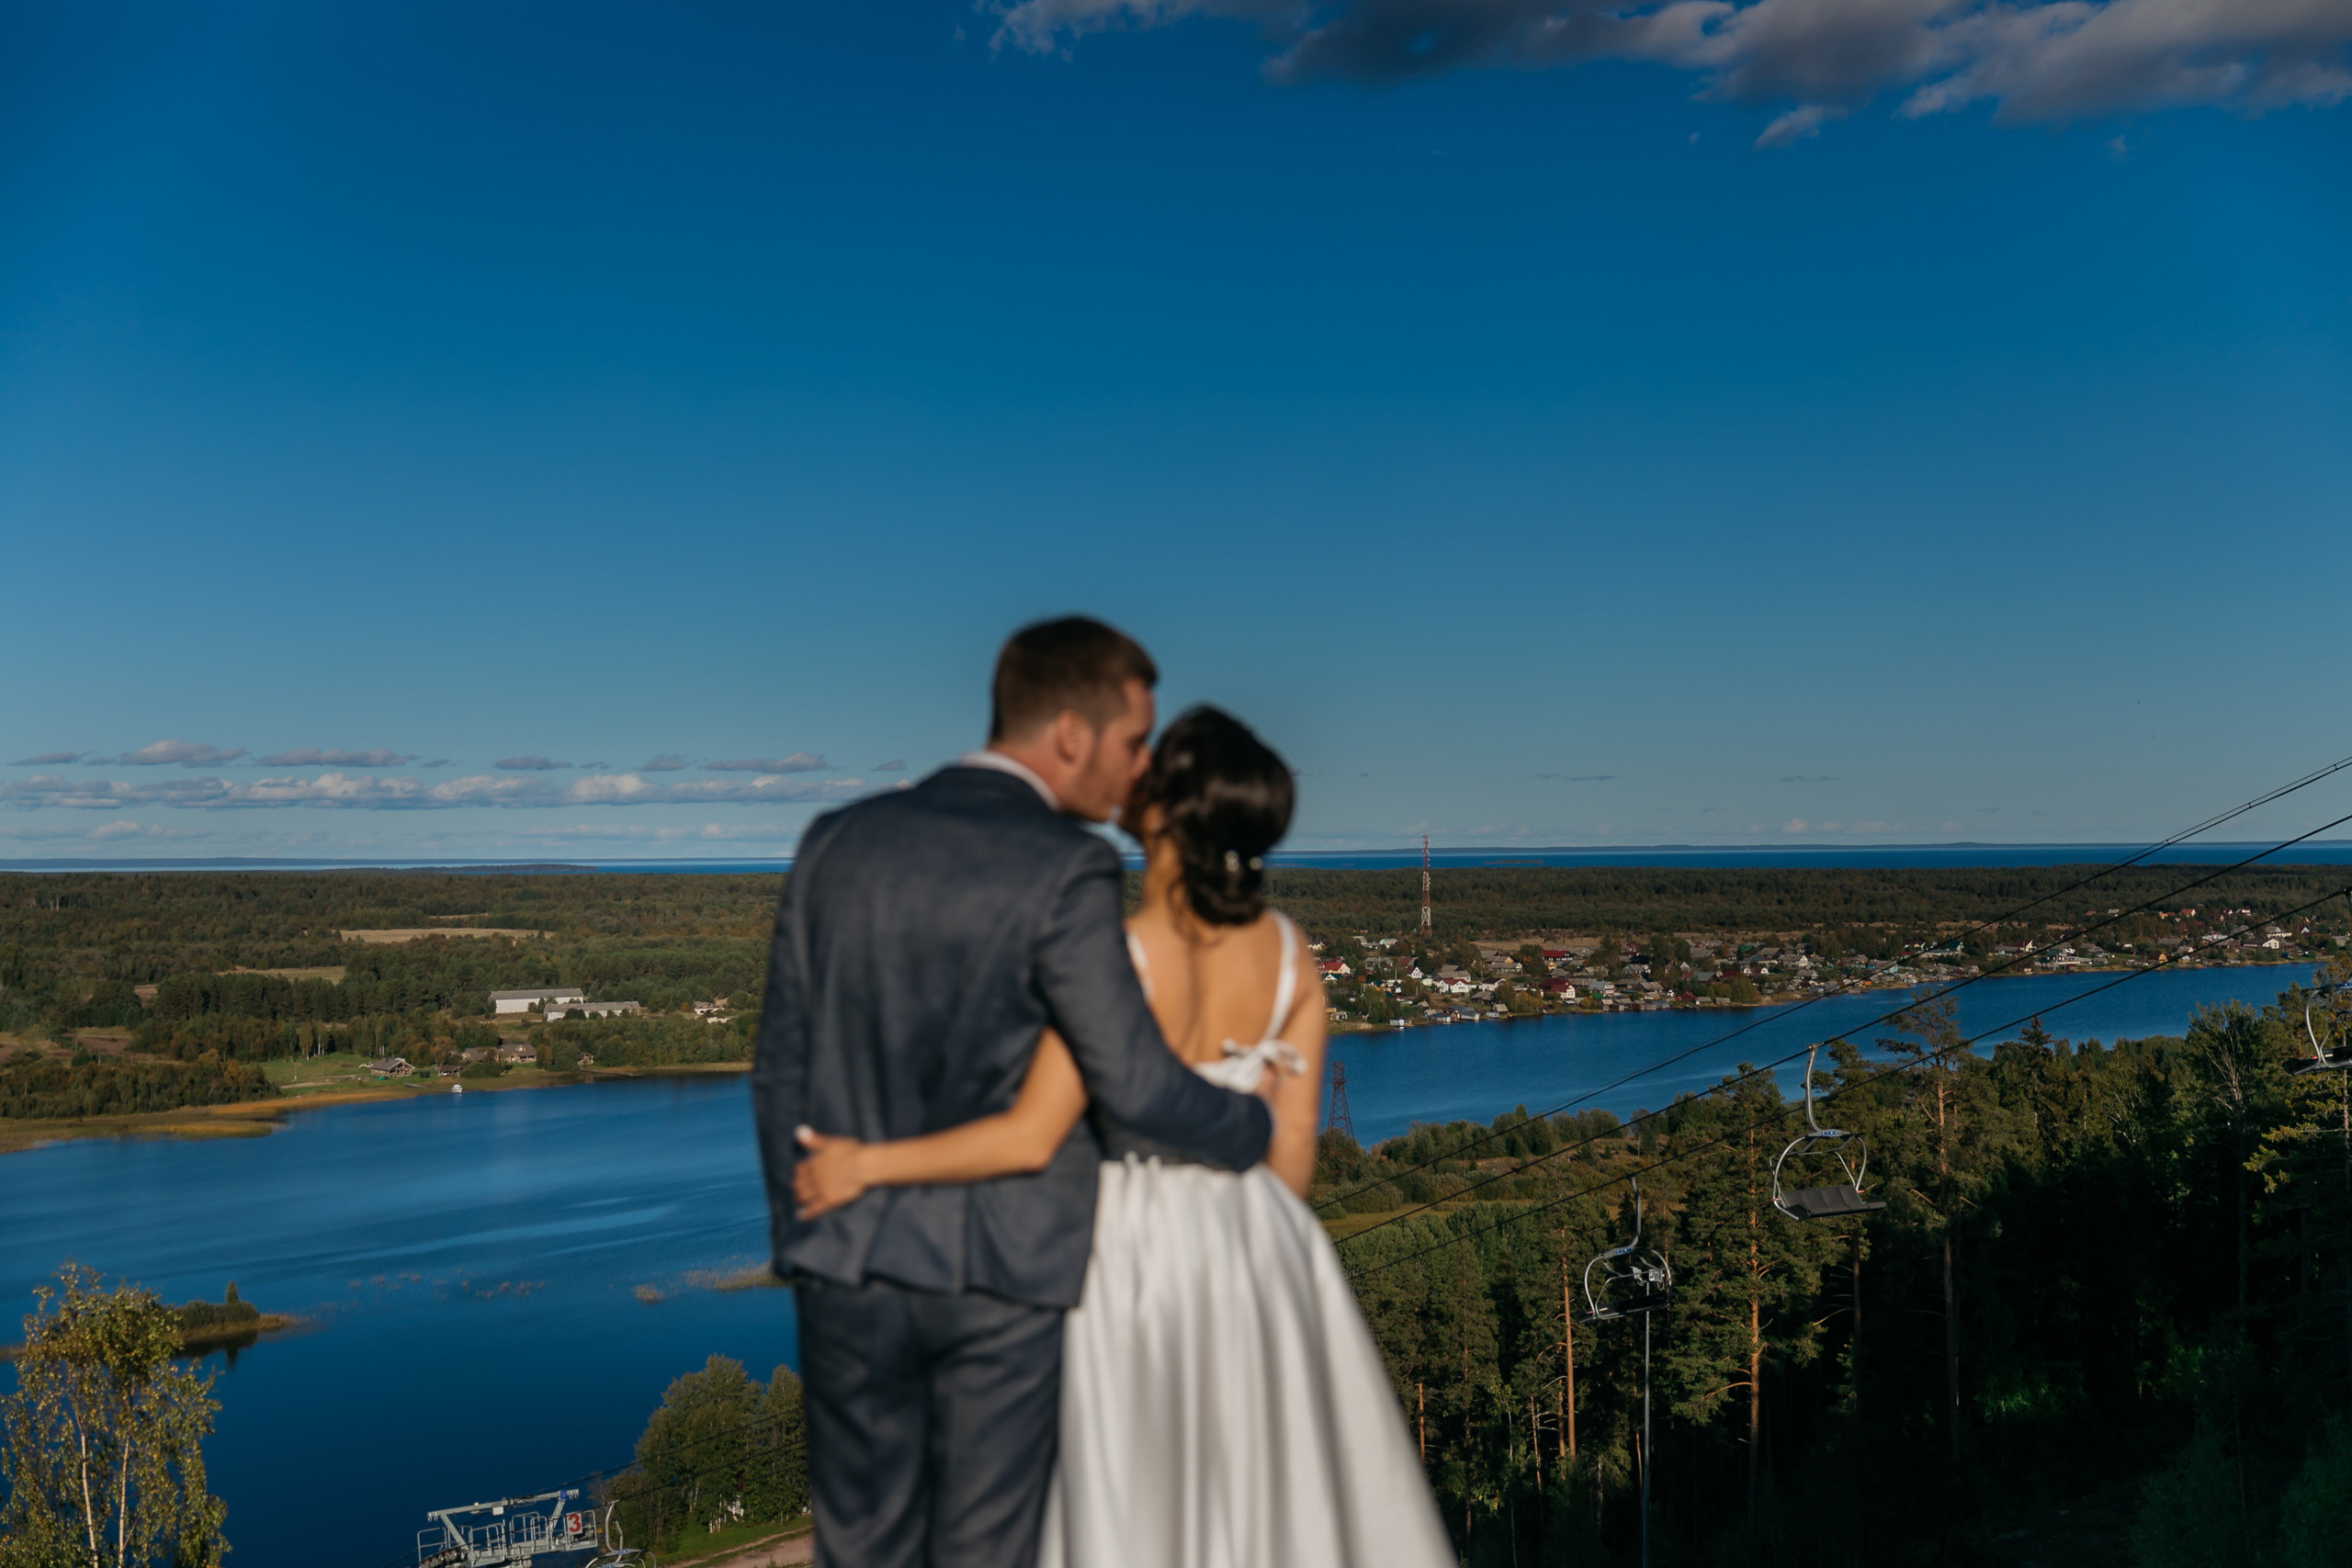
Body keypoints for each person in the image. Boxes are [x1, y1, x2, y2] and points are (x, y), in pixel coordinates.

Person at [794, 705, 1454, 1568]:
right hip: (1264, 1262)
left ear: (1164, 810)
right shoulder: (1293, 957)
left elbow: (1030, 1137)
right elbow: (1291, 1169)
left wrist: (863, 1164)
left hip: (1127, 1257)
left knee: (1128, 1503)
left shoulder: (1113, 957)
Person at [751, 619, 1273, 1568]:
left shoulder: (836, 840)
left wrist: (802, 1230)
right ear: (1070, 734)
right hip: (1005, 1272)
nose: (1136, 767)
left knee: (859, 1550)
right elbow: (1133, 1080)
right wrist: (1251, 1121)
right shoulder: (1065, 865)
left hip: (847, 1262)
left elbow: (779, 1062)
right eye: (1128, 743)